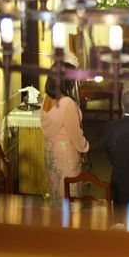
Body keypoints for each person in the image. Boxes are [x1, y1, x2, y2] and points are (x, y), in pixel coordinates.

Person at [40, 63, 89, 203]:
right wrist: (85, 147)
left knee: (57, 190)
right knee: (69, 194)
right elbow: (75, 133)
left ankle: (58, 222)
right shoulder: (67, 103)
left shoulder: (47, 99)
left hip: (51, 151)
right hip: (66, 154)